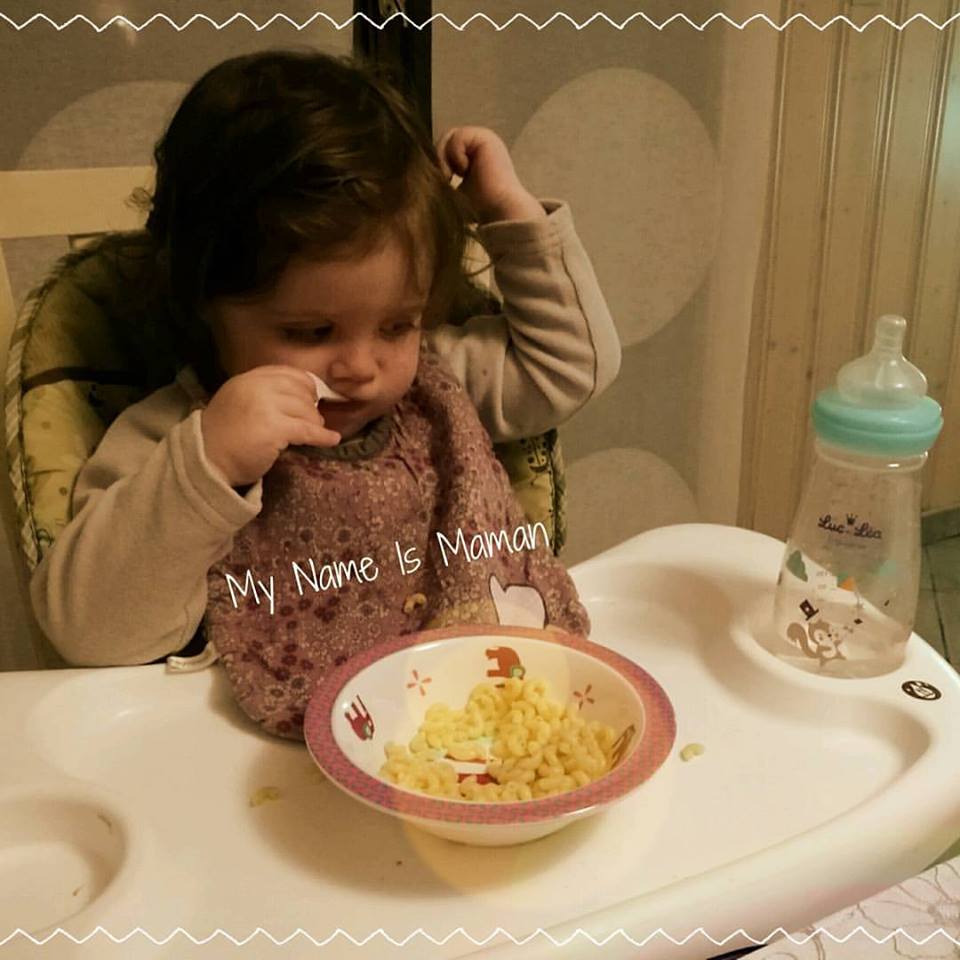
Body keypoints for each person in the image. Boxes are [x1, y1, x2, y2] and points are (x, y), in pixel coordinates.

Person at [29, 50, 620, 738]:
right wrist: (208, 466)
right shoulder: (175, 440)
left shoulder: (436, 388)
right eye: (311, 332)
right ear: (203, 303)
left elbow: (570, 365)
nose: (361, 367)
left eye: (398, 324)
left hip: (469, 725)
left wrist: (510, 216)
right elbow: (90, 633)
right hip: (259, 754)